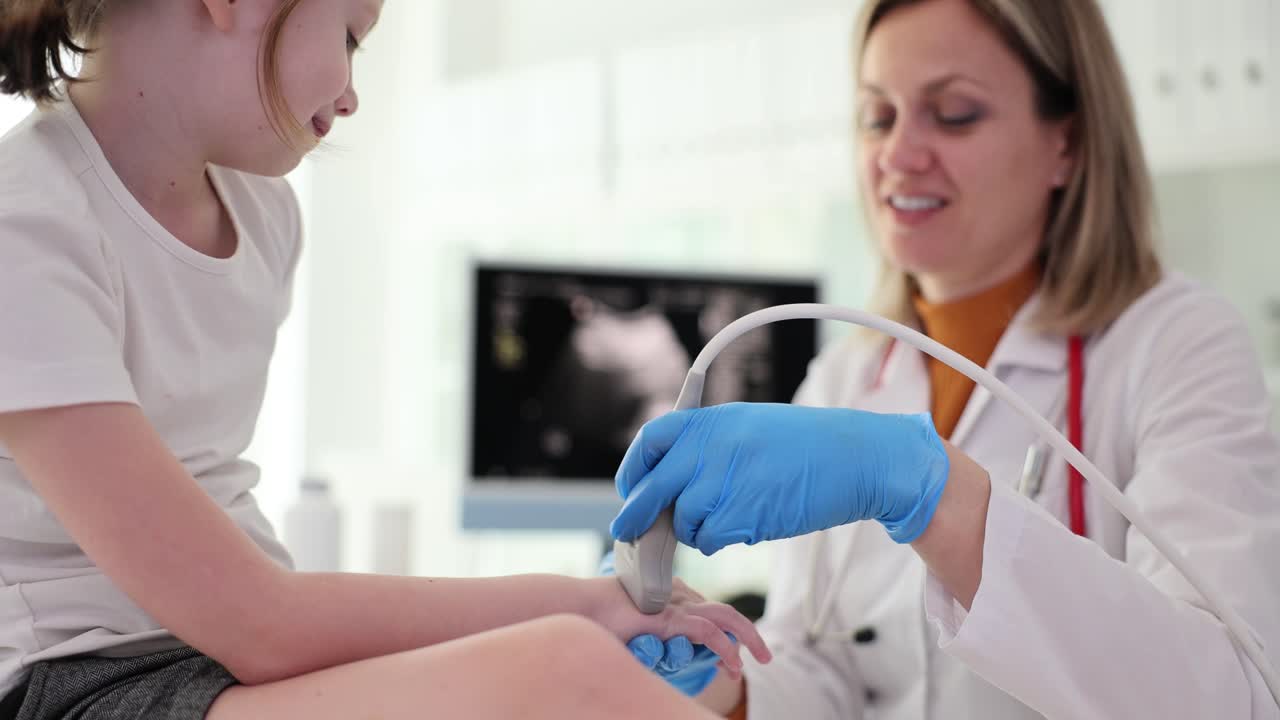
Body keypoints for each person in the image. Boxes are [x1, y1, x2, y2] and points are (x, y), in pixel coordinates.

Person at [0, 1, 772, 719]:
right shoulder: (27, 226)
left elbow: (261, 622)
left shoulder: (262, 215)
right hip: (88, 678)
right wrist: (581, 604)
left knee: (700, 679)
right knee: (563, 667)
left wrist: (593, 608)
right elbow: (261, 623)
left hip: (227, 652)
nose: (350, 97)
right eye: (349, 36)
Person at [609, 0, 1280, 717]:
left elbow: (1233, 699)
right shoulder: (845, 379)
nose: (898, 156)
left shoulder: (1175, 345)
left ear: (1069, 142)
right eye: (878, 117)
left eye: (954, 114)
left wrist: (927, 490)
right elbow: (827, 677)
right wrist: (720, 681)